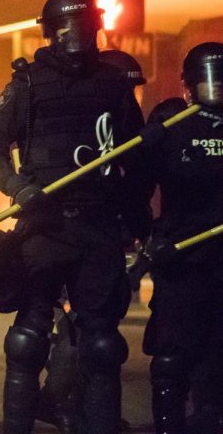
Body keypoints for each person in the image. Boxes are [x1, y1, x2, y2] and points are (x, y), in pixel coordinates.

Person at [0, 0, 146, 433]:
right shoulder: (27, 84)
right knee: (28, 339)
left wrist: (135, 219)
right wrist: (18, 188)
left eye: (84, 26)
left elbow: (137, 158)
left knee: (103, 344)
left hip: (98, 226)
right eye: (65, 28)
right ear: (49, 32)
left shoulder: (112, 84)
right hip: (43, 226)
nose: (76, 37)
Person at [36, 47, 150, 432]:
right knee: (86, 333)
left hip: (104, 237)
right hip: (72, 236)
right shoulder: (85, 135)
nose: (131, 102)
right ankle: (57, 401)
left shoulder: (123, 126)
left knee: (97, 332)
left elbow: (132, 185)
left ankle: (89, 410)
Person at [139, 42, 223, 433]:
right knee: (172, 357)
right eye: (207, 81)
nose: (215, 89)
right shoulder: (172, 128)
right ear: (188, 86)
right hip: (181, 258)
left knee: (215, 358)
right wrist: (145, 236)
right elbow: (135, 187)